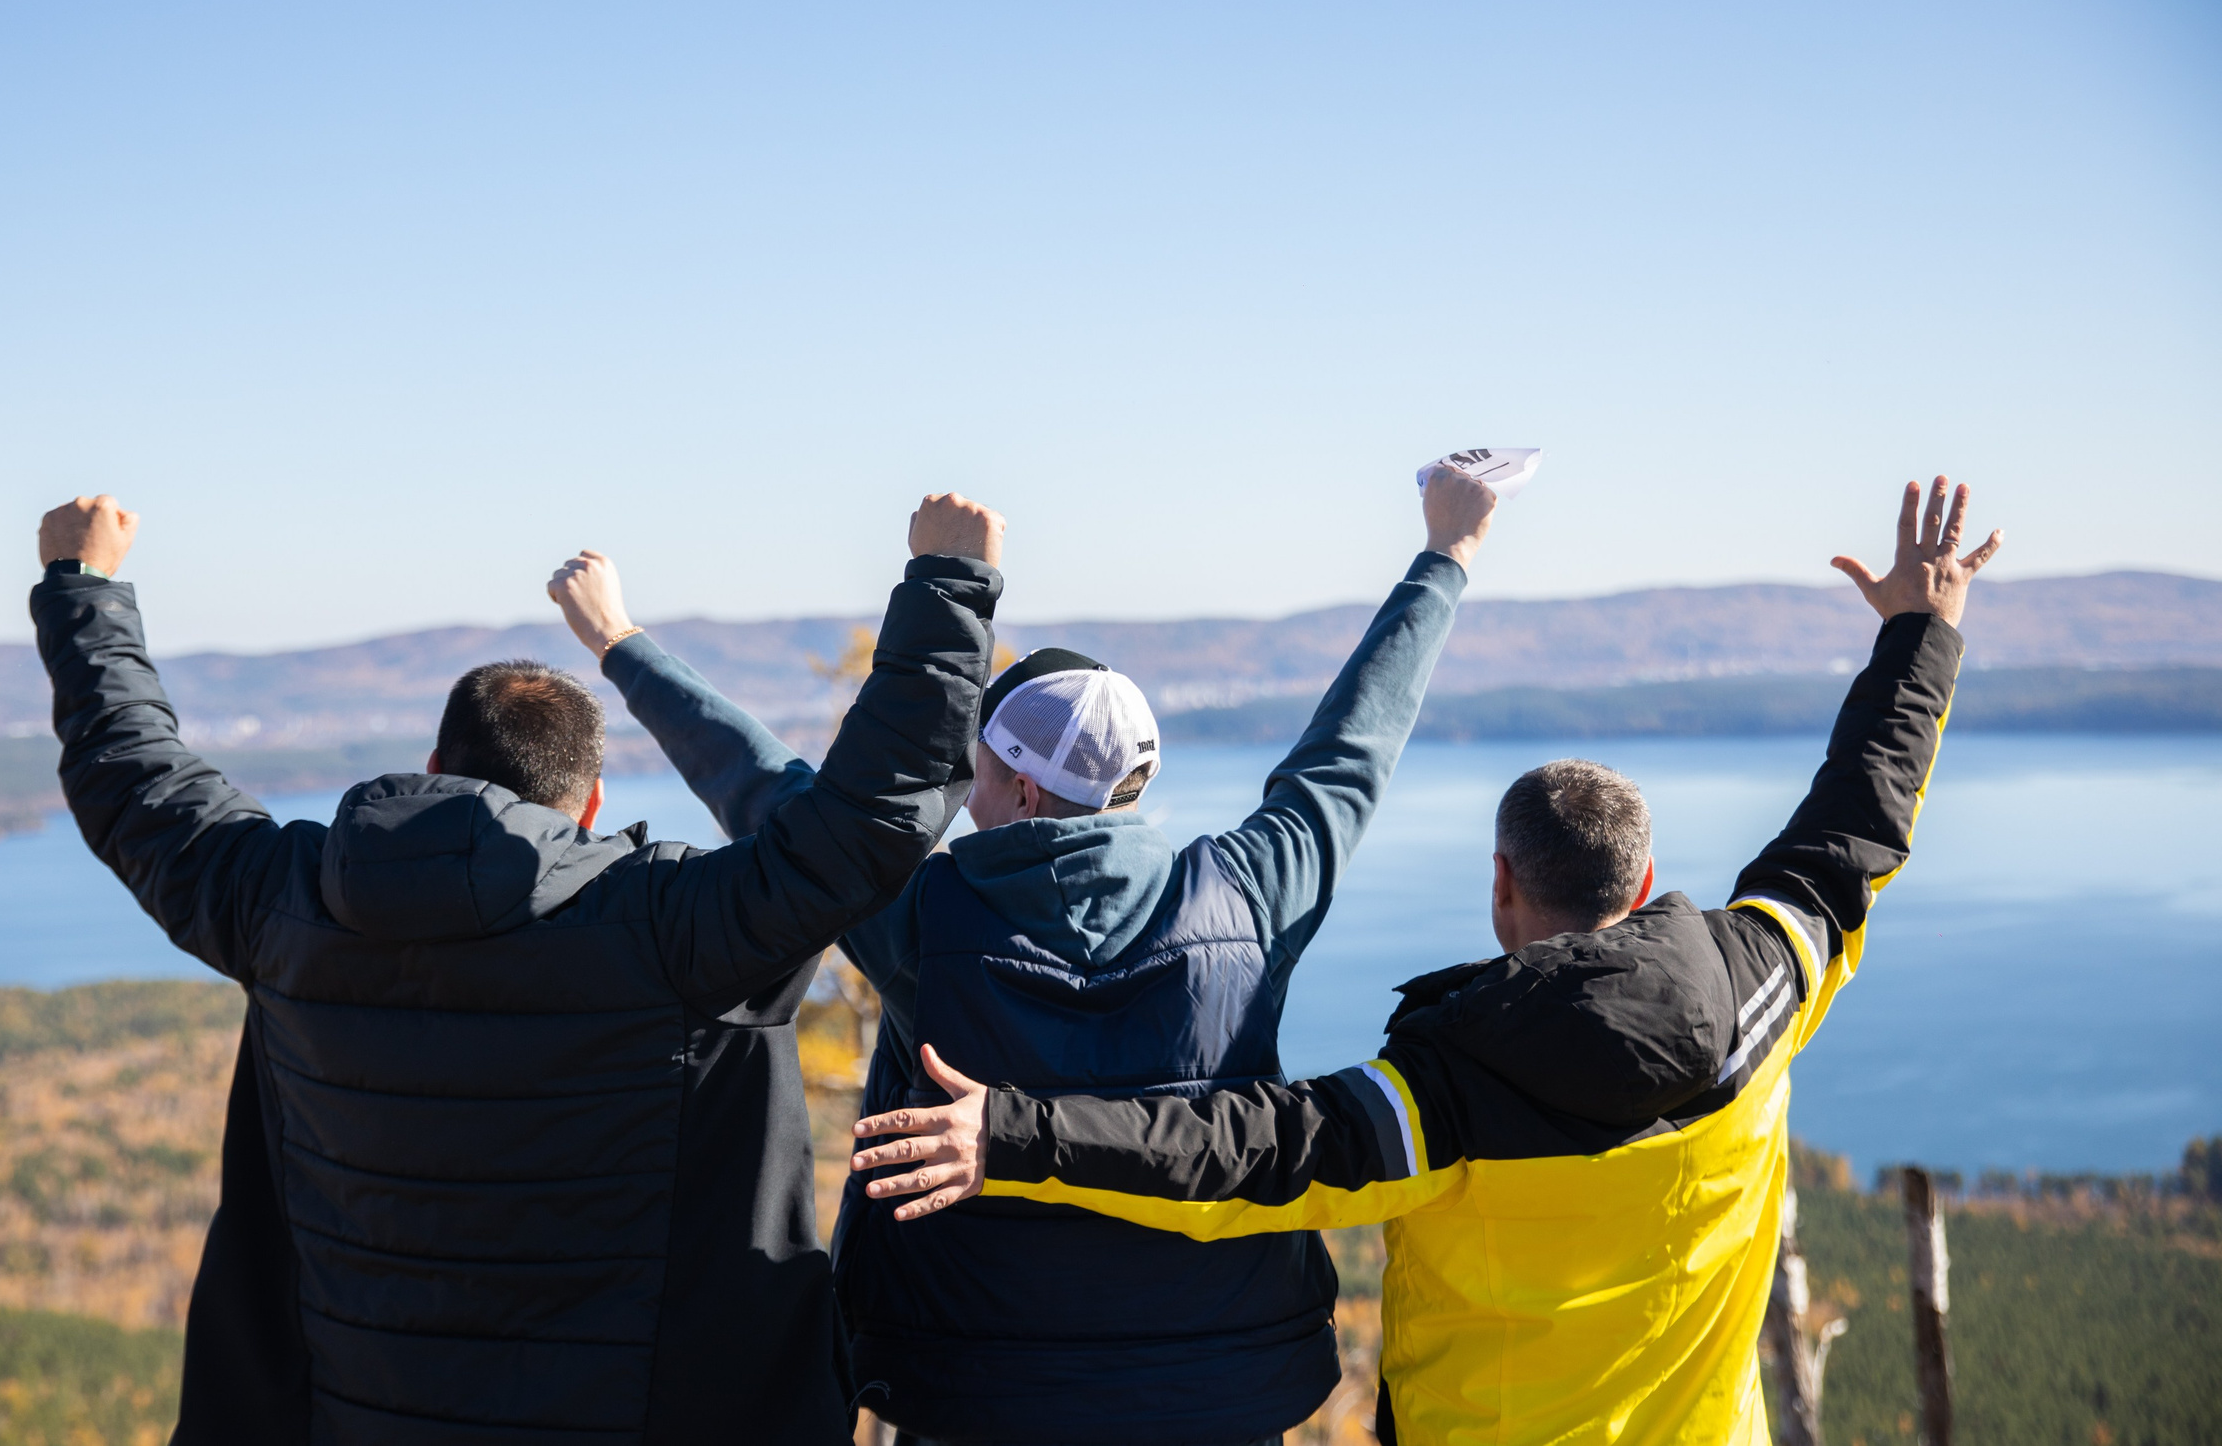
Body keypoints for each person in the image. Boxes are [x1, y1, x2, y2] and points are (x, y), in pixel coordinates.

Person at [850, 478, 2004, 1446]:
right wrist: (1922, 632)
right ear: (1644, 881)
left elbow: (1238, 1151)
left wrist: (1016, 1134)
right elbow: (1855, 825)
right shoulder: (1763, 985)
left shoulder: (1445, 1093)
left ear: (1502, 886)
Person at [29, 490, 1005, 1446]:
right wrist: (947, 584)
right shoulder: (672, 930)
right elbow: (864, 823)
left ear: (434, 767)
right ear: (589, 804)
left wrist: (83, 587)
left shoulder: (284, 903)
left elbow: (134, 779)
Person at [550, 468, 1504, 1444]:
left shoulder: (925, 920)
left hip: (977, 1398)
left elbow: (764, 788)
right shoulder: (1250, 894)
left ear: (1023, 788)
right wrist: (1445, 556)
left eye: (978, 768)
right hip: (1220, 1395)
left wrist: (618, 641)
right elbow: (1349, 751)